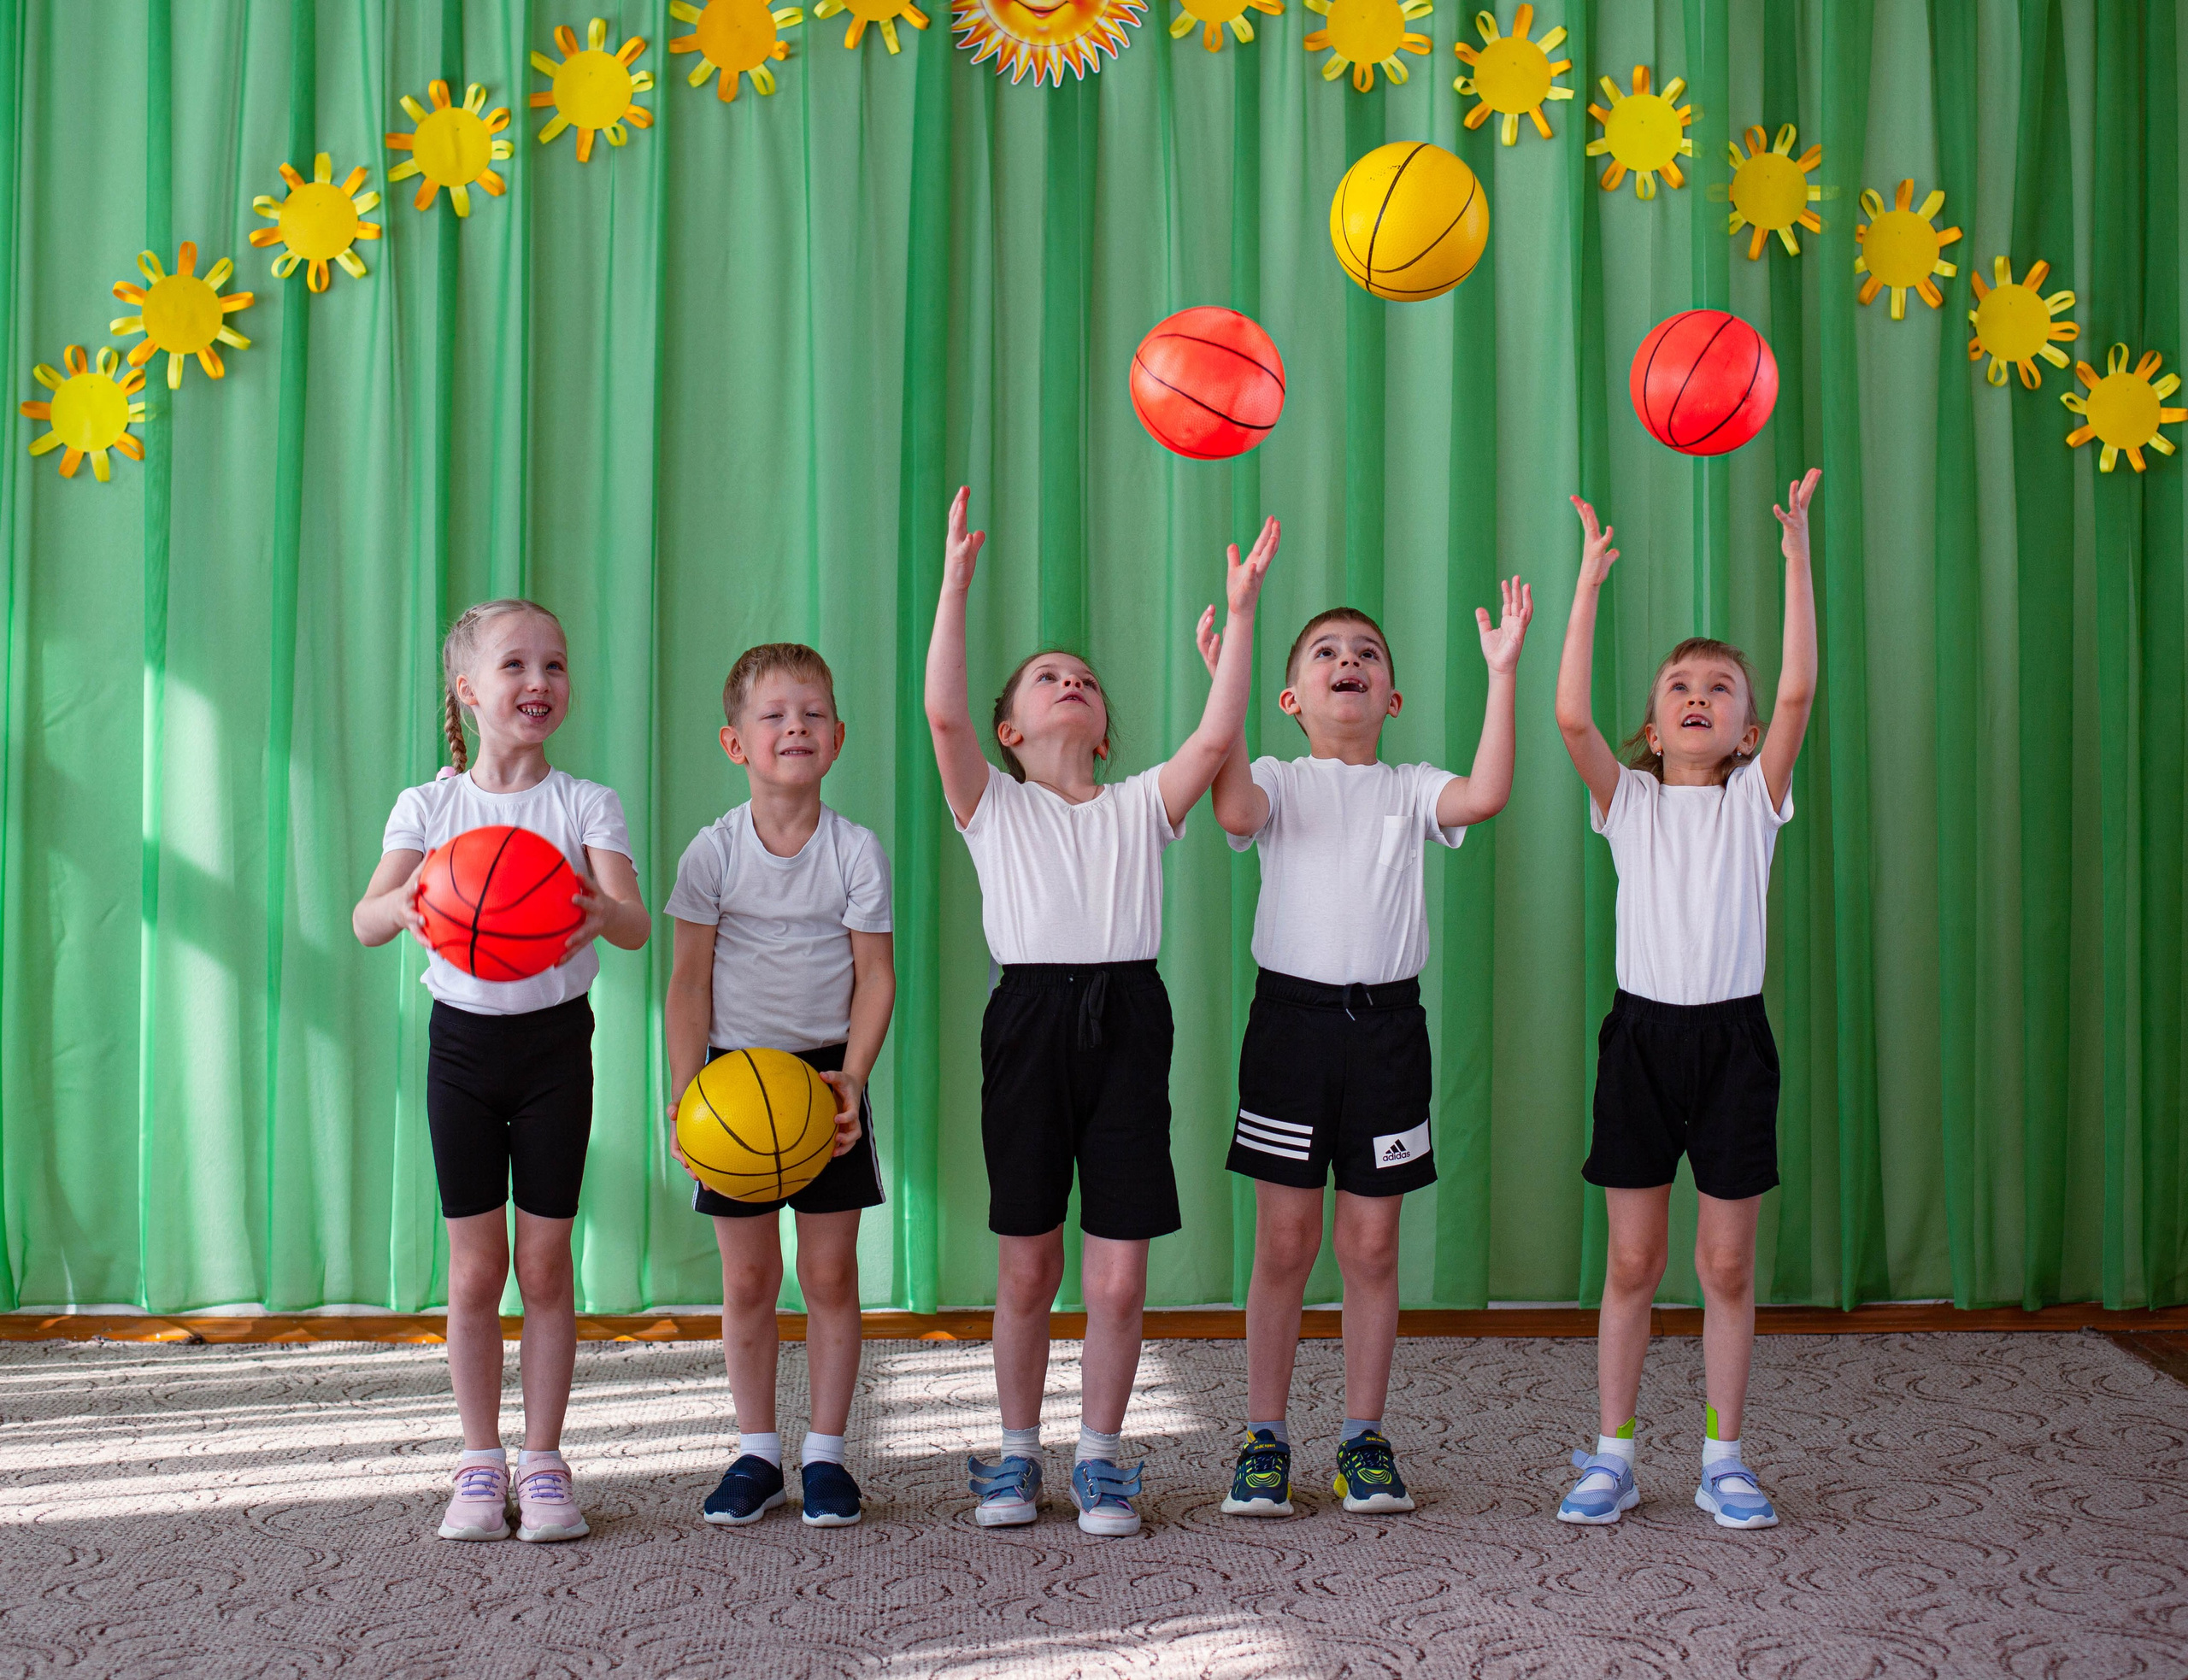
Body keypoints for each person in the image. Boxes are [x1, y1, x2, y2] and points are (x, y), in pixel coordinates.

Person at [925, 486, 1278, 1537]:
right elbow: (942, 711)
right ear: (1012, 728)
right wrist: (954, 583)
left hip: (1128, 1018)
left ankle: (1102, 1458)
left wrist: (1243, 617)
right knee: (1028, 1262)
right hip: (1029, 1022)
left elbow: (1215, 740)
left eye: (1084, 680)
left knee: (1118, 1279)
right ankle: (1018, 1454)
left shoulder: (1138, 807)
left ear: (1103, 726)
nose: (1070, 683)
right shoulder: (992, 802)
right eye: (1047, 678)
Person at [1198, 583, 1532, 1518]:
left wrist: (1501, 675)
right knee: (1285, 1240)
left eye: (1368, 654)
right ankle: (1264, 1438)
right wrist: (1232, 655)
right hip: (1289, 1032)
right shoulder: (1274, 776)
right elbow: (1228, 812)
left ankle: (1362, 1439)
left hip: (1387, 1035)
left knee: (1372, 1243)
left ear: (1389, 699)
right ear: (1290, 698)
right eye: (1326, 653)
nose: (1348, 659)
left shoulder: (1411, 785)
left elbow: (1490, 790)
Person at [1550, 470, 1821, 1530]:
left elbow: (1798, 690)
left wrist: (1795, 557)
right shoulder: (1629, 806)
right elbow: (1571, 715)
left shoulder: (1758, 800)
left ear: (1747, 732)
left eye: (1719, 686)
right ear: (1654, 731)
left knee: (1724, 1261)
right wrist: (1585, 585)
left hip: (1733, 1044)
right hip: (1642, 1042)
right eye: (1678, 688)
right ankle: (1612, 1453)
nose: (1699, 693)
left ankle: (1723, 1456)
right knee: (1631, 1260)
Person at [352, 598, 651, 1544]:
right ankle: (479, 1462)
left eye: (554, 665)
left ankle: (547, 1460)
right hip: (463, 1049)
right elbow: (365, 919)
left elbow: (638, 924)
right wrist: (407, 898)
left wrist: (596, 911)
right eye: (515, 665)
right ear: (468, 690)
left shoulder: (585, 803)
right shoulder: (430, 806)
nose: (539, 682)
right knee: (476, 1269)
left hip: (558, 1047)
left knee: (547, 1261)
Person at [663, 643, 896, 1530]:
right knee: (750, 1278)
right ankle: (757, 1449)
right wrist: (685, 1094)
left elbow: (875, 977)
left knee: (830, 1272)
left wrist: (853, 1077)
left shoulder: (855, 850)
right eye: (773, 715)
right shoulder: (713, 851)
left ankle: (828, 1452)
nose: (794, 726)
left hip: (823, 1079)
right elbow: (687, 982)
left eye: (811, 714)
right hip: (729, 1087)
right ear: (736, 743)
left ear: (838, 737)